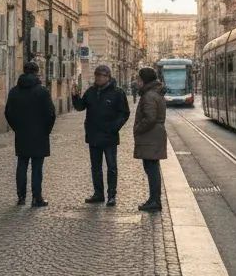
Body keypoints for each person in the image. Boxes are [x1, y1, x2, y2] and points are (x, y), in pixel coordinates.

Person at [72, 64, 130, 206]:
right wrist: (75, 96)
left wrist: (114, 128)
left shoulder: (118, 93)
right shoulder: (91, 91)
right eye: (96, 75)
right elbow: (80, 107)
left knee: (111, 167)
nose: (98, 78)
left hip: (109, 137)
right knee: (96, 167)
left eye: (101, 75)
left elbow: (124, 113)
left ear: (108, 77)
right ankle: (98, 194)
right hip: (93, 135)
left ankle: (111, 195)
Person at [5, 61, 56, 208]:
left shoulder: (14, 91)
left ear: (24, 71)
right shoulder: (42, 91)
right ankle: (36, 198)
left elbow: (8, 113)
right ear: (36, 72)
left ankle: (21, 198)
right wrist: (46, 130)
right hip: (39, 134)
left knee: (22, 165)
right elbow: (51, 114)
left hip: (22, 133)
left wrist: (17, 128)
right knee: (37, 168)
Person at [133, 66, 168, 212]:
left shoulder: (149, 95)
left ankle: (154, 201)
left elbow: (150, 118)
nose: (137, 81)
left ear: (144, 80)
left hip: (150, 136)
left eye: (138, 78)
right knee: (152, 168)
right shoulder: (154, 93)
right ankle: (154, 199)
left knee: (152, 169)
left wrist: (137, 128)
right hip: (154, 135)